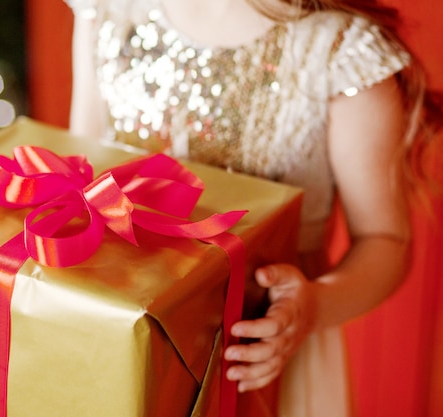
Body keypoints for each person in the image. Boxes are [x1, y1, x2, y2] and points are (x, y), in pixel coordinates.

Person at [63, 0, 442, 415]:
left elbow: (385, 240)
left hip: (263, 352)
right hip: (130, 337)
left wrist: (313, 307)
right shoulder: (111, 11)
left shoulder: (338, 52)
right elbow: (84, 181)